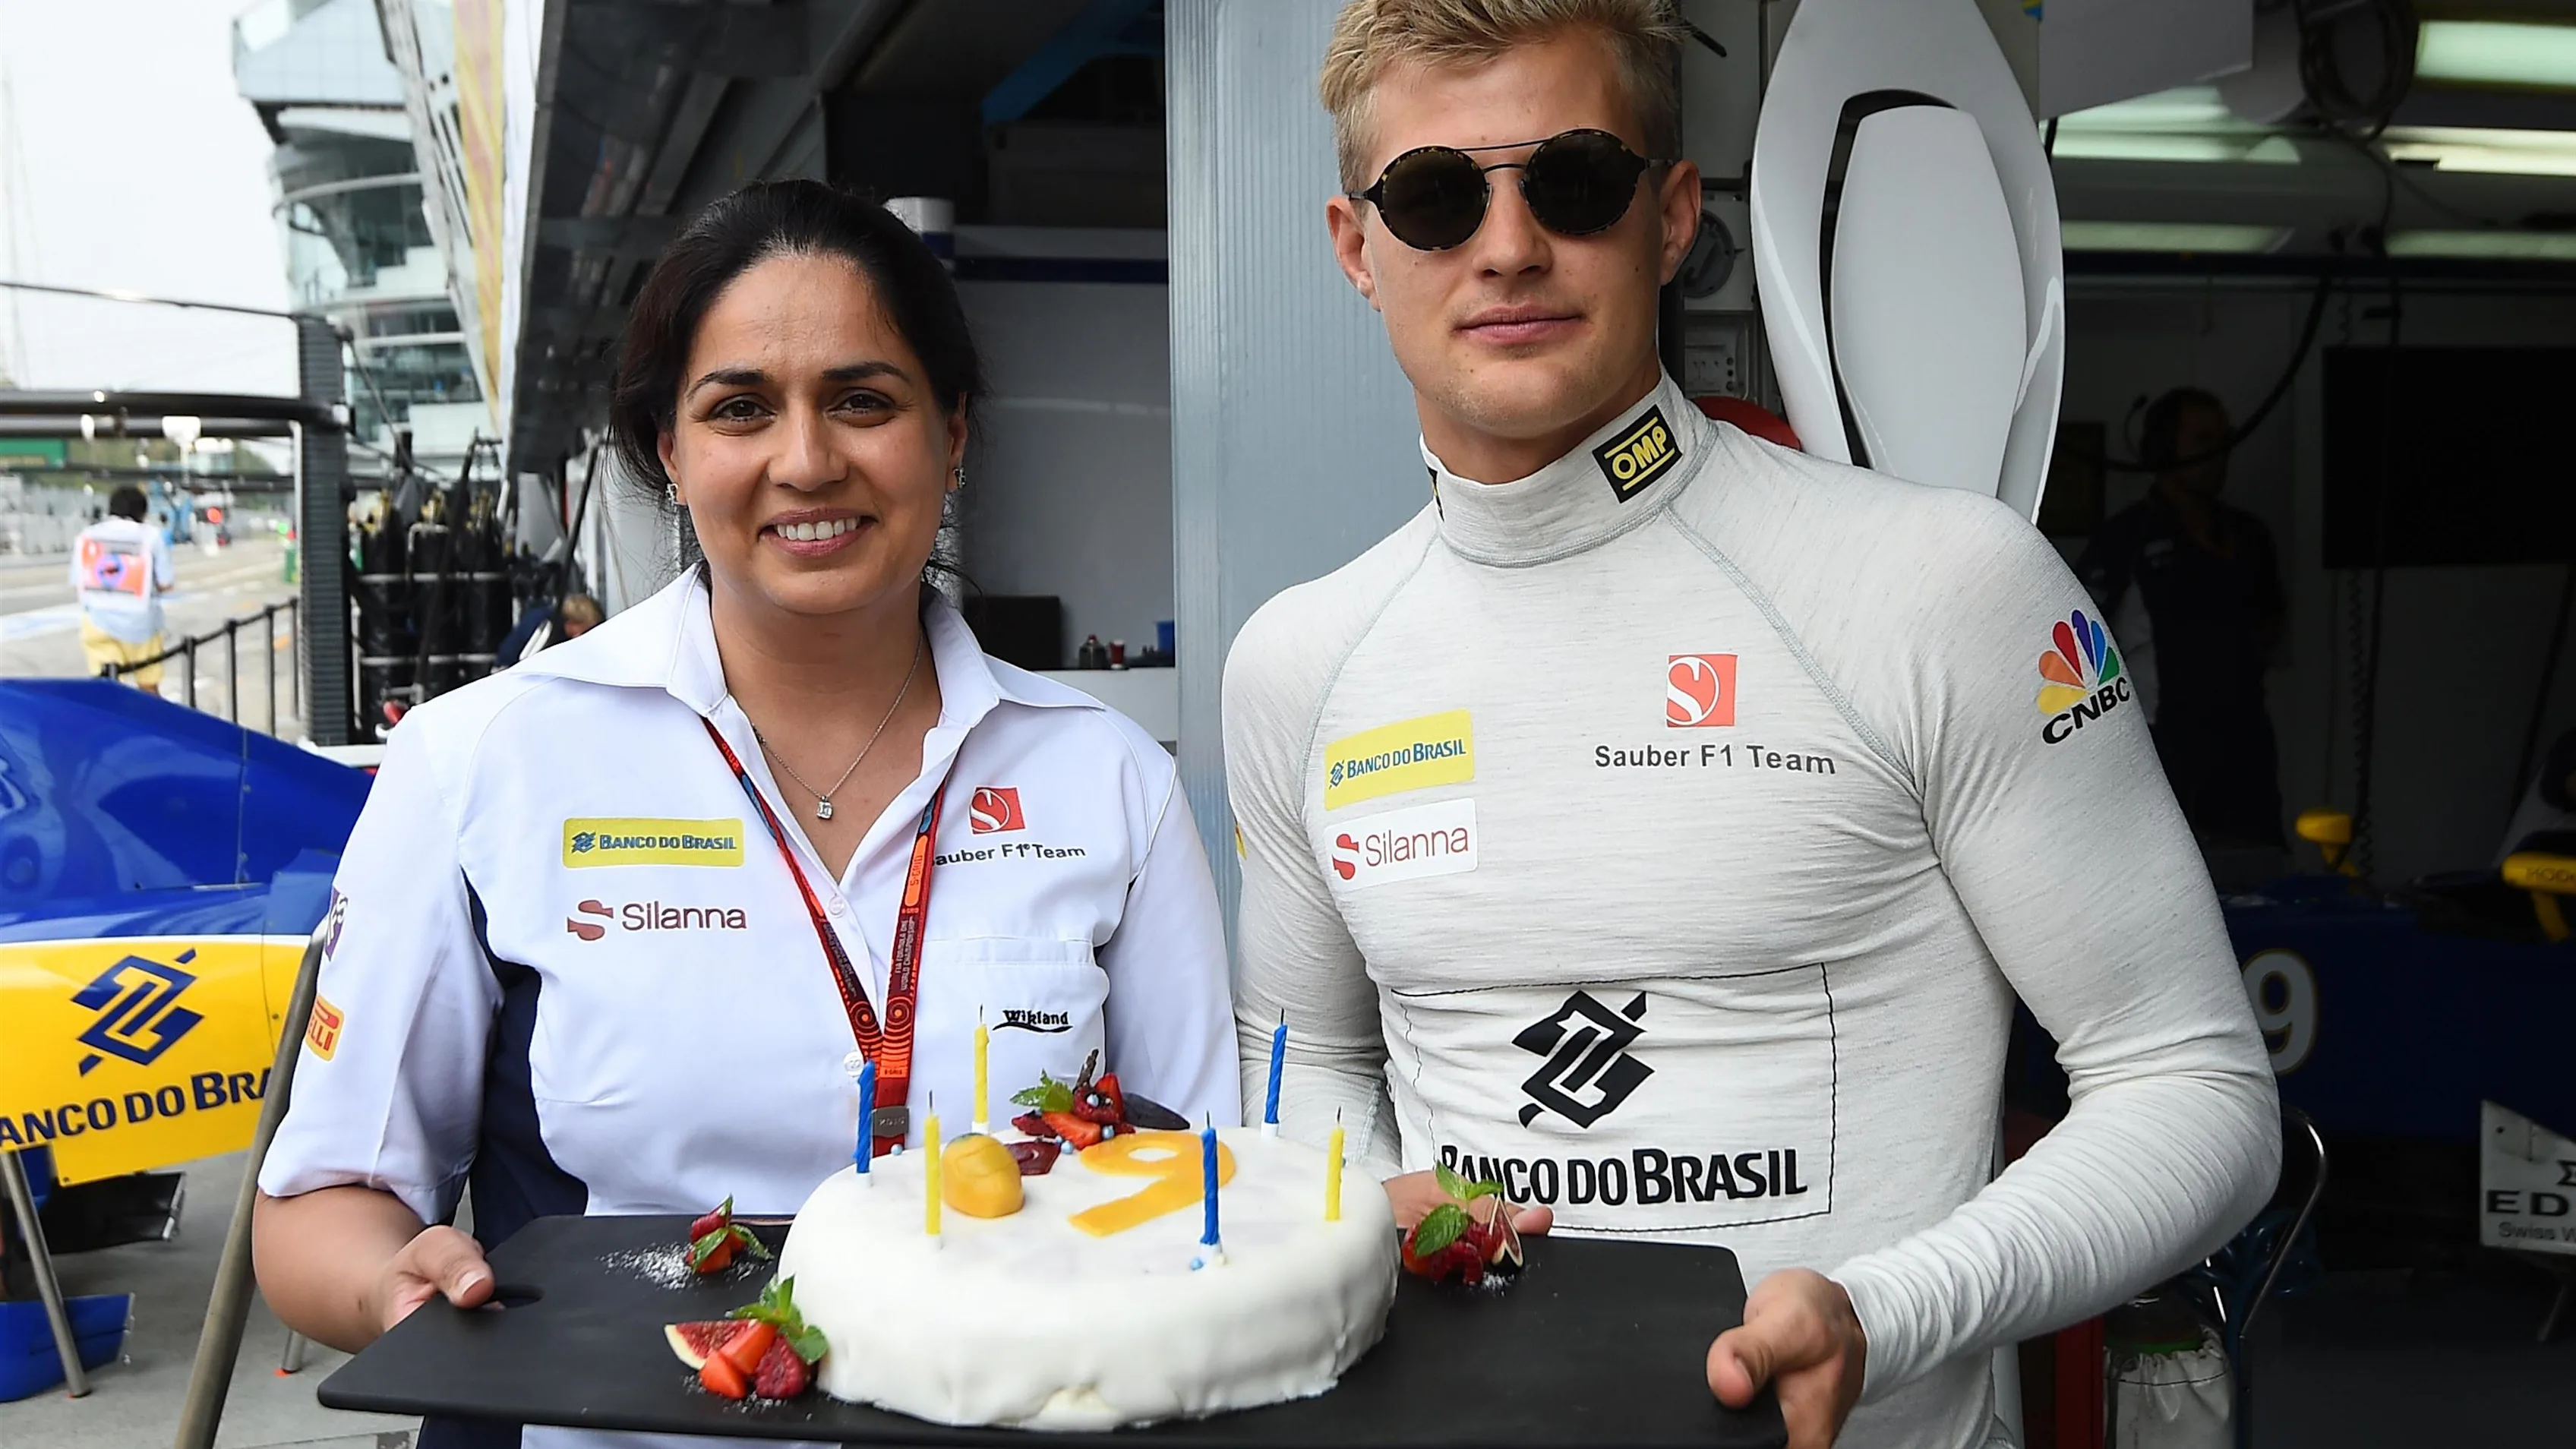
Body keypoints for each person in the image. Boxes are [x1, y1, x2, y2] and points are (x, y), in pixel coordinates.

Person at [1222, 5, 2280, 1447]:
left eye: (1574, 181)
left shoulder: (1939, 584)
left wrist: (1883, 1308)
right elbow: (1307, 1070)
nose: (1509, 243)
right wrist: (1355, 1213)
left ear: (1667, 217)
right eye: (1435, 195)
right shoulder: (1298, 663)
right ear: (1358, 246)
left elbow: (2195, 1084)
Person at [254, 180, 1240, 1449]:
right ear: (669, 451)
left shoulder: (1104, 779)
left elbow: (1200, 1187)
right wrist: (397, 1284)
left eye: (863, 399)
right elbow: (321, 1203)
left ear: (951, 432)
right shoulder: (482, 760)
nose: (806, 458)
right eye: (739, 408)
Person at [2076, 387, 2286, 848]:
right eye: (2202, 439)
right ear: (2162, 449)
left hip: (2244, 755)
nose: (2218, 452)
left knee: (2257, 882)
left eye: (2225, 439)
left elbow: (2272, 630)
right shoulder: (2125, 540)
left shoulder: (2249, 536)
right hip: (2163, 756)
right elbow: (2075, 655)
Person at [68, 485, 177, 694]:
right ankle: (148, 726)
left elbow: (77, 583)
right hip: (141, 624)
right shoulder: (152, 536)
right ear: (143, 512)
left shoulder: (87, 536)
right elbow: (166, 583)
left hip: (97, 622)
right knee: (148, 687)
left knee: (107, 689)